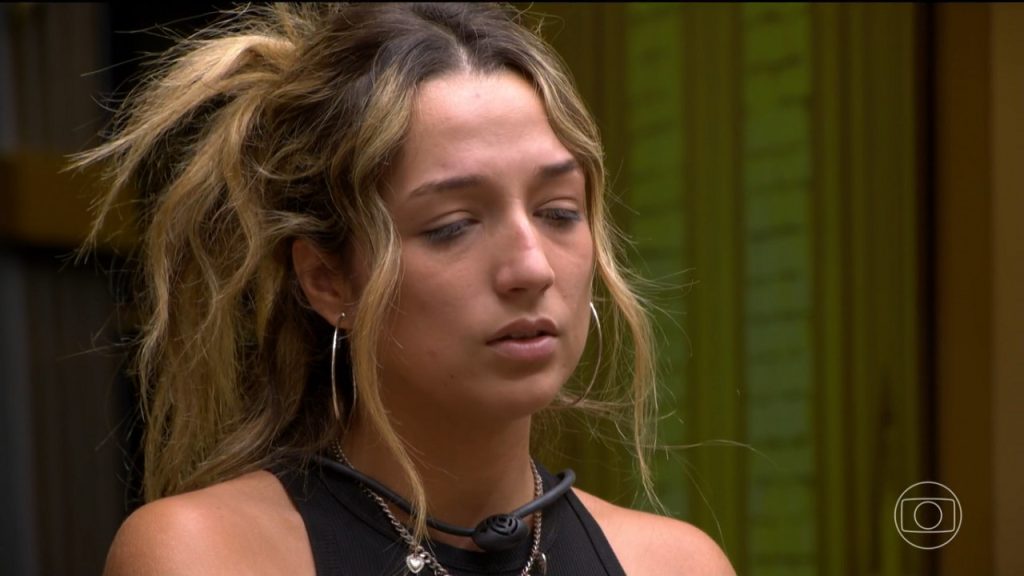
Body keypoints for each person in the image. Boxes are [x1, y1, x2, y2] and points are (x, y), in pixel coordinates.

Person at [77, 4, 735, 575]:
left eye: (558, 212)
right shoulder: (207, 554)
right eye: (453, 226)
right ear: (328, 279)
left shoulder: (676, 564)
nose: (532, 267)